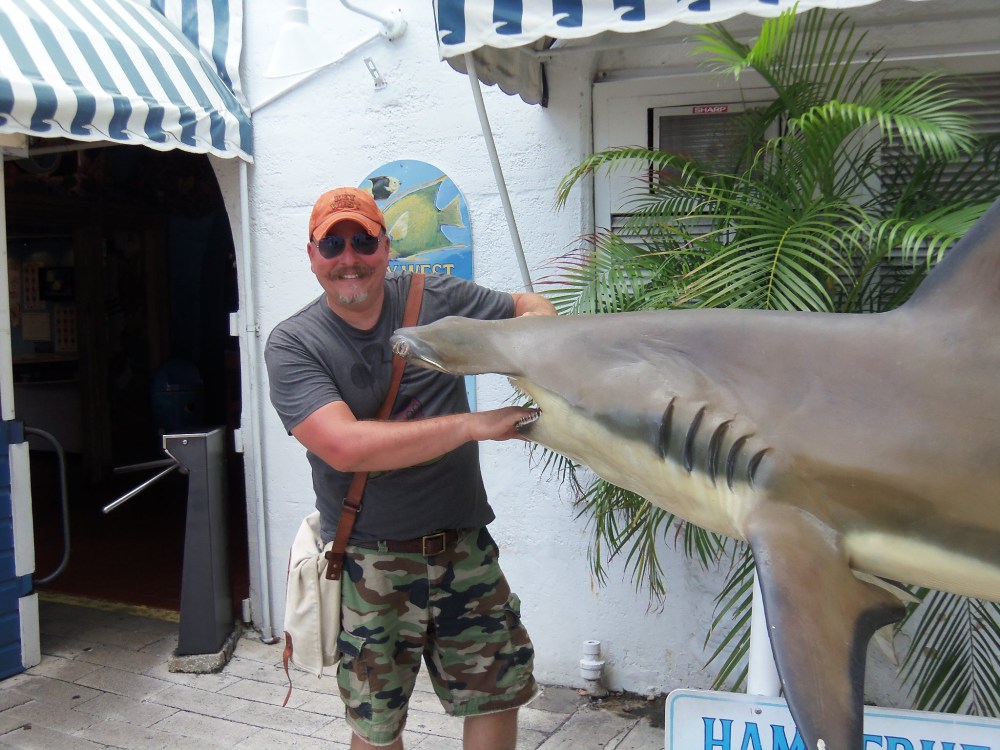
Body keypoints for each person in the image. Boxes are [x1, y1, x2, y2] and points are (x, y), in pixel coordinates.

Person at [264, 186, 557, 750]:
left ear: (386, 246)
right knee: (376, 725)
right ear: (312, 255)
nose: (349, 258)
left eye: (362, 241)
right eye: (332, 245)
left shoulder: (433, 297)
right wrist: (472, 425)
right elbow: (345, 446)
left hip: (464, 546)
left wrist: (542, 352)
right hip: (370, 559)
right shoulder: (295, 343)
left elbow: (527, 307)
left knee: (497, 694)